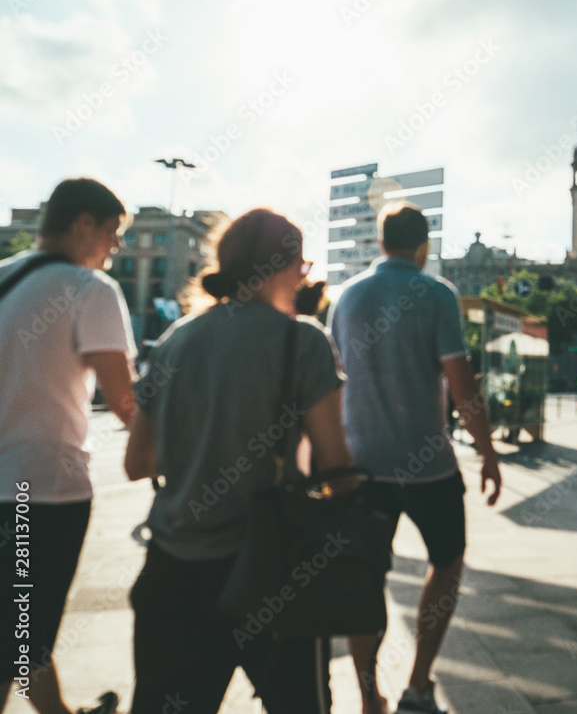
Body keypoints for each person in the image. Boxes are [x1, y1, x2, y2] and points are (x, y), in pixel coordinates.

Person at [123, 209, 352, 713]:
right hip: (269, 571)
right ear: (282, 266)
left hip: (172, 574)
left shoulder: (174, 340)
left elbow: (138, 462)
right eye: (302, 265)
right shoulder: (303, 340)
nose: (305, 277)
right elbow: (335, 462)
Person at [328, 202, 501, 714]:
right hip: (429, 467)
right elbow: (461, 382)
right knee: (446, 563)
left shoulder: (348, 297)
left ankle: (367, 697)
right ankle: (420, 684)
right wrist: (487, 452)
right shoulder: (437, 294)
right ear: (423, 246)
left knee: (365, 579)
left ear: (381, 242)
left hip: (362, 466)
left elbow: (334, 383)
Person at [0, 178, 135, 714]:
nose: (115, 247)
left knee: (21, 625)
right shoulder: (89, 289)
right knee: (20, 636)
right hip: (43, 493)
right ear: (84, 224)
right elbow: (123, 402)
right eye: (112, 232)